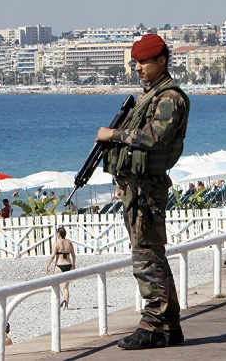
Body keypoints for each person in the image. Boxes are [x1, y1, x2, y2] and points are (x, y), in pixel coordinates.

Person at [97, 33, 189, 349]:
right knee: (150, 254)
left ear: (161, 61)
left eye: (143, 62)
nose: (137, 68)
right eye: (135, 62)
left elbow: (155, 137)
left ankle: (154, 325)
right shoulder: (150, 95)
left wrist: (114, 134)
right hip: (137, 187)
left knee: (147, 257)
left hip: (147, 189)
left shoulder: (169, 98)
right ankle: (167, 326)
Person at [45, 226, 76, 310]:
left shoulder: (57, 243)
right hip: (69, 264)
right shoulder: (69, 243)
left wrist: (47, 265)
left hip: (59, 265)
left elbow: (52, 256)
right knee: (66, 287)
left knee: (55, 283)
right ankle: (66, 306)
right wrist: (74, 265)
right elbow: (73, 255)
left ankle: (62, 299)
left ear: (58, 234)